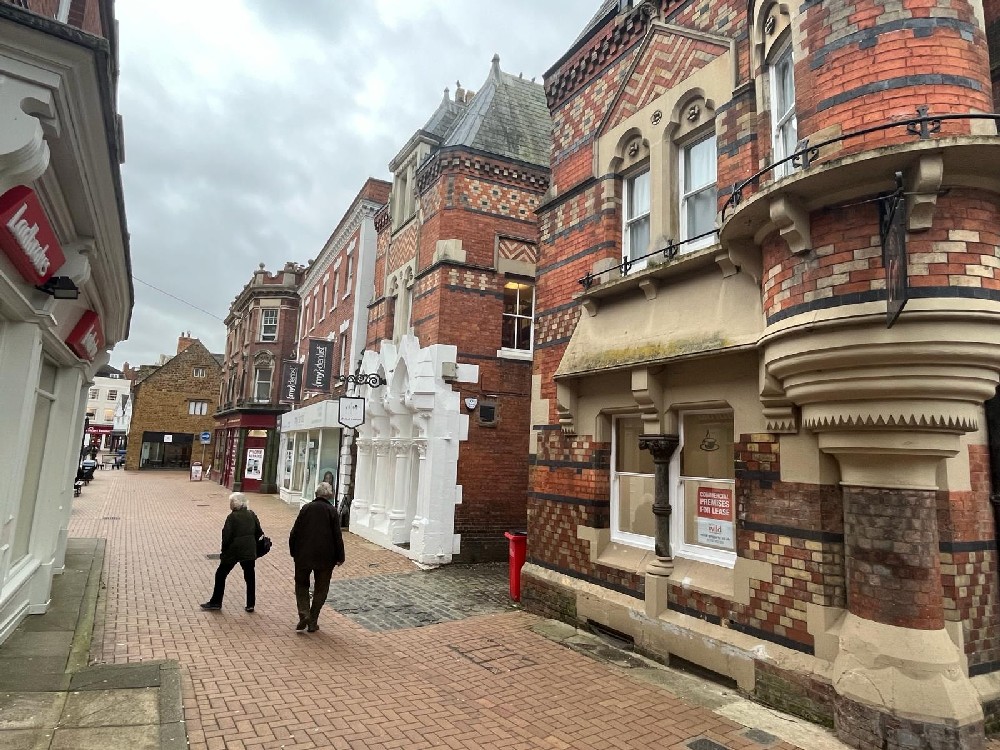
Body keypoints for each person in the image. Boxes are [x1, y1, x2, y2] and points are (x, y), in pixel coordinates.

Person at [288, 481, 345, 632]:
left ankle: (304, 612)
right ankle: (312, 620)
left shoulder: (306, 508)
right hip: (326, 557)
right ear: (329, 495)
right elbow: (337, 536)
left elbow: (294, 532)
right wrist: (340, 556)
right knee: (321, 588)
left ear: (316, 494)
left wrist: (293, 551)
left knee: (301, 584)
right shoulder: (332, 511)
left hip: (303, 555)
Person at [201, 492, 263, 613]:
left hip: (234, 551)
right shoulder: (252, 514)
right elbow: (259, 532)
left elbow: (226, 536)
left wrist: (224, 552)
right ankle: (250, 604)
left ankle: (216, 602)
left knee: (221, 574)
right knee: (250, 577)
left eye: (231, 502)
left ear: (235, 504)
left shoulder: (232, 517)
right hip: (249, 550)